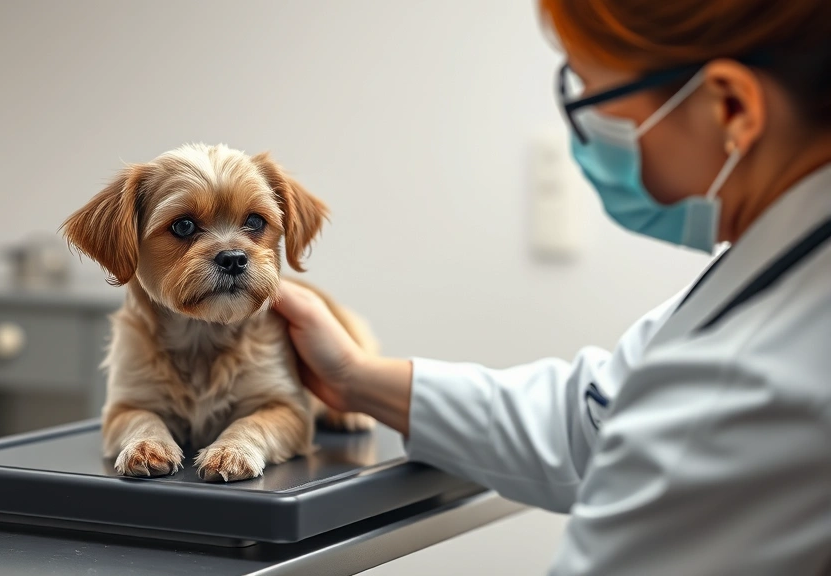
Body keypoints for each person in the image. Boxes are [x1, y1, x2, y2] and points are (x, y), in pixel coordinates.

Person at [273, 1, 831, 574]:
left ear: (729, 107)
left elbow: (666, 425)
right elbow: (594, 422)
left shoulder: (755, 385)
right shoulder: (784, 269)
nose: (583, 131)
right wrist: (353, 378)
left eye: (588, 94)